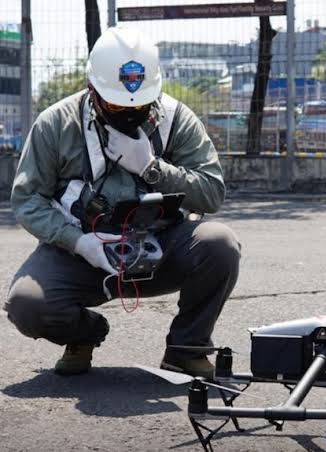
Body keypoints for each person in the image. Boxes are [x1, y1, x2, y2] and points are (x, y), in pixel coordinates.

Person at [4, 27, 240, 379]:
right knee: (27, 305)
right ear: (92, 89)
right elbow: (27, 200)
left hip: (160, 247)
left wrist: (152, 168)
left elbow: (211, 192)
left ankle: (186, 349)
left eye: (141, 103)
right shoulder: (56, 124)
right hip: (83, 253)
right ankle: (83, 334)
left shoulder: (177, 120)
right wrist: (79, 242)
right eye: (116, 103)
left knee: (219, 244)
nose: (129, 111)